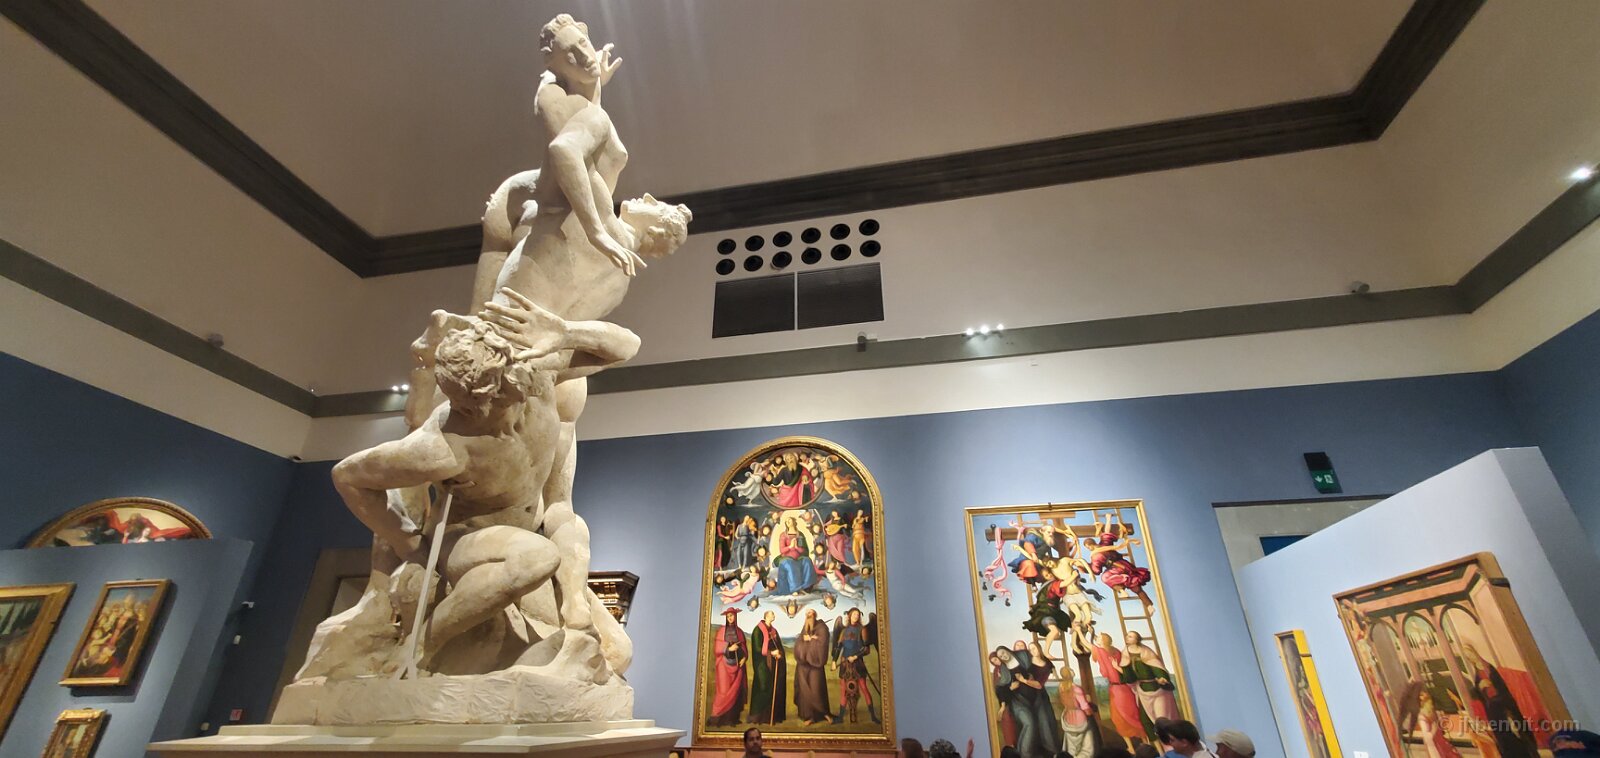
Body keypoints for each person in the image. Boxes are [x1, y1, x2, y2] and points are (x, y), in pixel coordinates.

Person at [1092, 633, 1149, 745]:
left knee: (1120, 718)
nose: (1096, 639)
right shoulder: (1116, 651)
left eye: (1099, 638)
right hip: (1125, 689)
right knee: (1132, 716)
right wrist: (1092, 633)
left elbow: (1090, 646)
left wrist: (1079, 632)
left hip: (1118, 690)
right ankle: (1145, 742)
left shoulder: (1101, 651)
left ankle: (1132, 746)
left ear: (1103, 641)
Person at [1122, 631, 1180, 724]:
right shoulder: (1125, 653)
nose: (1127, 637)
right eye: (1127, 636)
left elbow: (1156, 666)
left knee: (1162, 718)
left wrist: (1161, 677)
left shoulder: (1146, 651)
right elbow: (1129, 676)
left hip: (1156, 687)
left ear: (1137, 640)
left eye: (1130, 636)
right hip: (1141, 690)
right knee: (1146, 720)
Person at [708, 609, 747, 727]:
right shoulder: (721, 631)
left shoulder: (739, 632)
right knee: (723, 692)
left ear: (735, 616)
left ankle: (732, 719)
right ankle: (718, 719)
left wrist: (744, 658)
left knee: (736, 692)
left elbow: (744, 648)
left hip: (738, 666)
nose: (730, 618)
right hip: (724, 666)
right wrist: (729, 648)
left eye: (732, 615)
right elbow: (717, 649)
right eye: (728, 616)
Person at [792, 608, 832, 725]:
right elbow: (798, 644)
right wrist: (804, 640)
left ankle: (823, 713)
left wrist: (812, 640)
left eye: (809, 613)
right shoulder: (805, 628)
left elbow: (823, 643)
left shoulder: (822, 628)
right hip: (803, 665)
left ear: (814, 614)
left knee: (816, 689)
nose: (808, 615)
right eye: (806, 614)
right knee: (804, 691)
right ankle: (809, 716)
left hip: (815, 665)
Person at [748, 611, 787, 724]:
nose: (774, 616)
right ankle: (758, 717)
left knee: (775, 687)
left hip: (774, 663)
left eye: (774, 614)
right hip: (762, 664)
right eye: (772, 614)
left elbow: (779, 646)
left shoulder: (774, 631)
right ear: (766, 616)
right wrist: (771, 653)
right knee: (763, 687)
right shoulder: (758, 630)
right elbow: (757, 648)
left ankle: (772, 716)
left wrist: (779, 654)